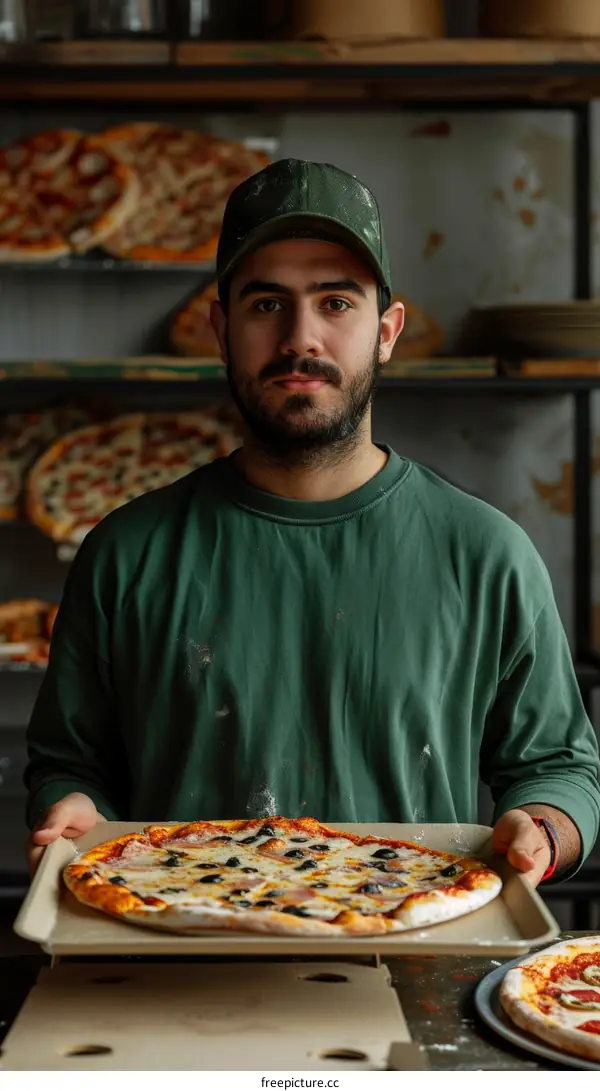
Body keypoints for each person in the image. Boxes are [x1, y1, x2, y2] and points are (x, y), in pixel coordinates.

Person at [25, 159, 600, 887]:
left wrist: (545, 826)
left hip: (411, 964)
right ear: (221, 329)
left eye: (335, 302)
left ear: (386, 330)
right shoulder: (126, 551)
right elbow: (73, 762)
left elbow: (559, 766)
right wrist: (68, 803)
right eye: (266, 305)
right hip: (175, 961)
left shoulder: (486, 553)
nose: (302, 338)